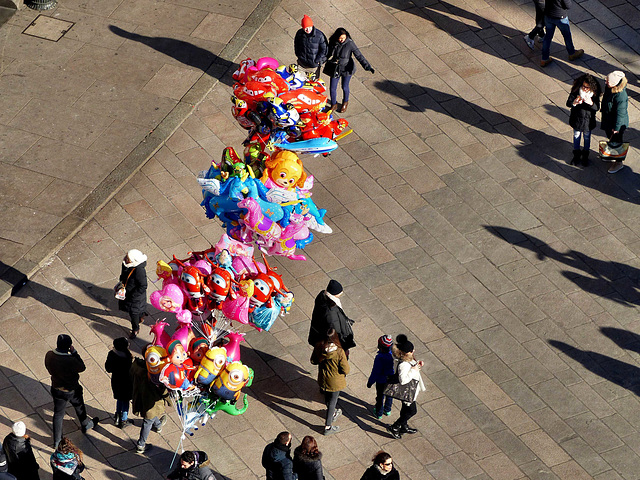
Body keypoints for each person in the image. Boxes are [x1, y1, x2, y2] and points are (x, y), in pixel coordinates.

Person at [44, 334, 97, 449]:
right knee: (79, 406)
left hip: (56, 388)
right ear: (69, 346)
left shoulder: (49, 355)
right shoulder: (70, 359)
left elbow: (48, 368)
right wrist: (74, 352)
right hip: (71, 389)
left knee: (58, 414)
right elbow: (82, 367)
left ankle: (57, 441)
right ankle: (85, 424)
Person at [311, 329, 349, 436]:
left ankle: (331, 413)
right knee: (333, 401)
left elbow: (313, 361)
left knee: (327, 398)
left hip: (323, 378)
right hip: (335, 381)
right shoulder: (339, 352)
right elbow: (346, 369)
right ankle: (328, 426)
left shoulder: (319, 346)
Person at [386, 335, 426, 440]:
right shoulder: (403, 364)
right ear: (406, 352)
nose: (413, 351)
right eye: (411, 350)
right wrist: (414, 369)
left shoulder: (406, 359)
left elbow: (412, 368)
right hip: (407, 391)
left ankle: (403, 427)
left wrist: (417, 366)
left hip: (409, 390)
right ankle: (395, 427)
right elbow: (403, 380)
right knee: (412, 411)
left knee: (405, 410)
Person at [326, 28, 374, 113]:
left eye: (343, 38)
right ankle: (334, 104)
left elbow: (359, 55)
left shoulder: (350, 44)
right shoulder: (333, 42)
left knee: (345, 87)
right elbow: (328, 53)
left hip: (347, 68)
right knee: (332, 88)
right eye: (340, 38)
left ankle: (345, 102)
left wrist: (367, 66)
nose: (342, 40)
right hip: (335, 68)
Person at [130, 354, 169, 454]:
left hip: (140, 397)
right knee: (148, 421)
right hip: (151, 403)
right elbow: (163, 392)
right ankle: (141, 444)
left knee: (150, 417)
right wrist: (170, 400)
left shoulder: (138, 367)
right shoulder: (155, 377)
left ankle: (158, 425)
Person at [309, 280, 356, 356]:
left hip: (319, 335)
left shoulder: (322, 297)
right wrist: (345, 345)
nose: (342, 293)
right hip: (336, 342)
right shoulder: (331, 311)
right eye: (340, 292)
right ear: (334, 293)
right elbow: (336, 329)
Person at [566, 73, 601, 166]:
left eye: (587, 87)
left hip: (588, 121)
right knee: (576, 136)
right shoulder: (576, 91)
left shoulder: (594, 95)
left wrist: (591, 103)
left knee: (586, 137)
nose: (585, 88)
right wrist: (574, 102)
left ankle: (585, 154)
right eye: (584, 86)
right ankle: (576, 154)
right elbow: (568, 103)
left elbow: (597, 108)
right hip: (577, 119)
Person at [539, 0, 583, 67]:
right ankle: (572, 53)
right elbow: (568, 5)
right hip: (560, 17)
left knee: (547, 37)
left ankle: (544, 59)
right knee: (567, 36)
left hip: (548, 15)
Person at [601, 70, 629, 174]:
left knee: (617, 141)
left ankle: (618, 162)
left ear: (615, 83)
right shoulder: (610, 88)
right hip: (609, 120)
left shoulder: (620, 96)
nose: (606, 82)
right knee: (611, 138)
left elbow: (621, 113)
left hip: (616, 123)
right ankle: (612, 155)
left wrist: (617, 128)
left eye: (608, 81)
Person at [117, 249, 148, 339]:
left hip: (135, 297)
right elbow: (123, 275)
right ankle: (141, 314)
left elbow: (143, 286)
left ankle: (135, 329)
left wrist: (132, 295)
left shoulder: (139, 270)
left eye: (128, 258)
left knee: (133, 313)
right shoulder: (126, 264)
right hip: (128, 293)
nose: (126, 259)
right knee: (132, 311)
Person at [104, 337, 134, 428]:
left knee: (119, 398)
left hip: (116, 381)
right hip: (126, 382)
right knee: (125, 401)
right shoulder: (127, 357)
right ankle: (123, 420)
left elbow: (108, 368)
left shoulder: (111, 354)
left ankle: (117, 416)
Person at [367, 335, 395, 419]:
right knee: (389, 395)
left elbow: (375, 371)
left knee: (380, 397)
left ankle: (379, 413)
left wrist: (370, 382)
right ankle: (387, 409)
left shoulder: (380, 358)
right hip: (390, 380)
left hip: (381, 381)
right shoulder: (393, 355)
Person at [294, 15, 327, 80]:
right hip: (302, 63)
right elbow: (296, 44)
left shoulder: (319, 35)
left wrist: (317, 60)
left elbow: (324, 49)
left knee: (312, 85)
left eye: (309, 27)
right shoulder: (299, 33)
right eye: (305, 27)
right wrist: (299, 55)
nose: (308, 29)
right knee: (300, 82)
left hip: (313, 66)